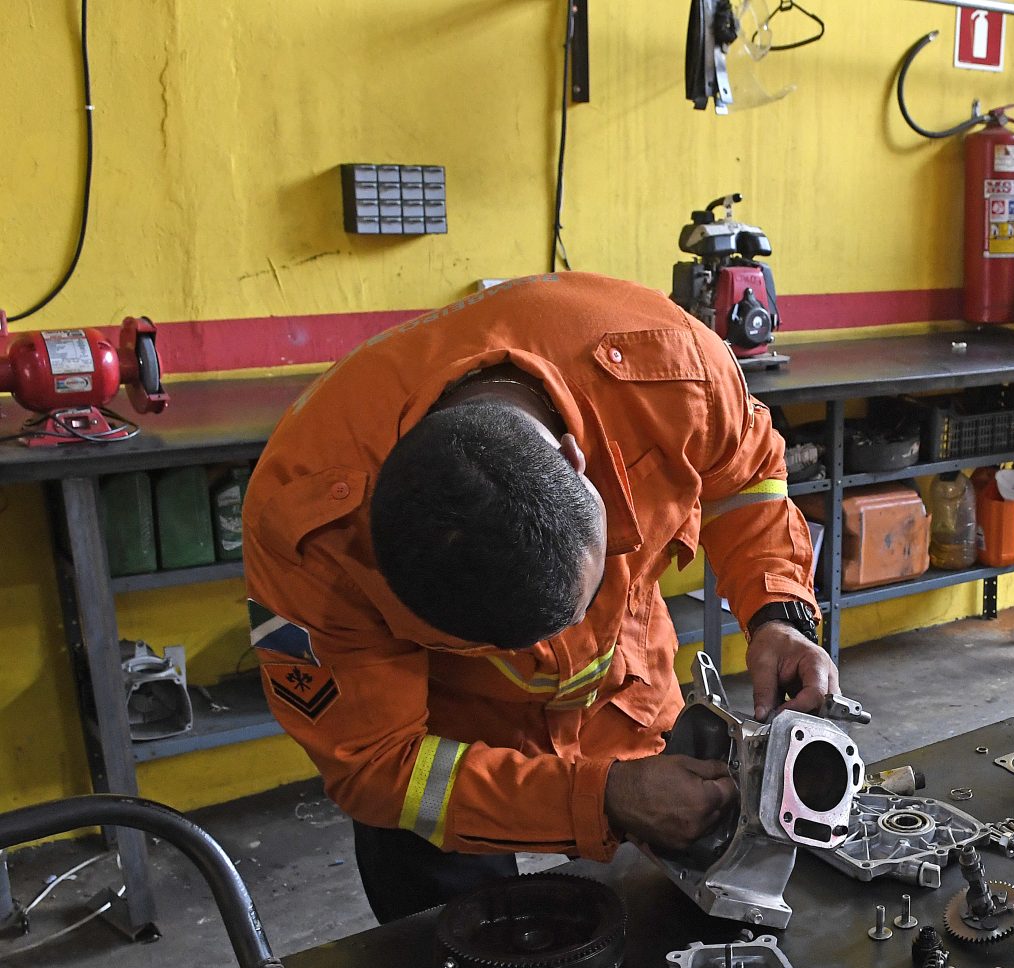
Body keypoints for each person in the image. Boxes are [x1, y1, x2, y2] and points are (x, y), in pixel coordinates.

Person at [243, 273, 837, 924]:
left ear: (576, 458)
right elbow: (376, 764)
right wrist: (603, 799)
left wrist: (778, 612)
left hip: (624, 692)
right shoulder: (303, 542)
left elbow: (747, 477)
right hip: (455, 751)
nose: (550, 653)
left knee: (671, 911)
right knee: (456, 967)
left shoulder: (671, 369)